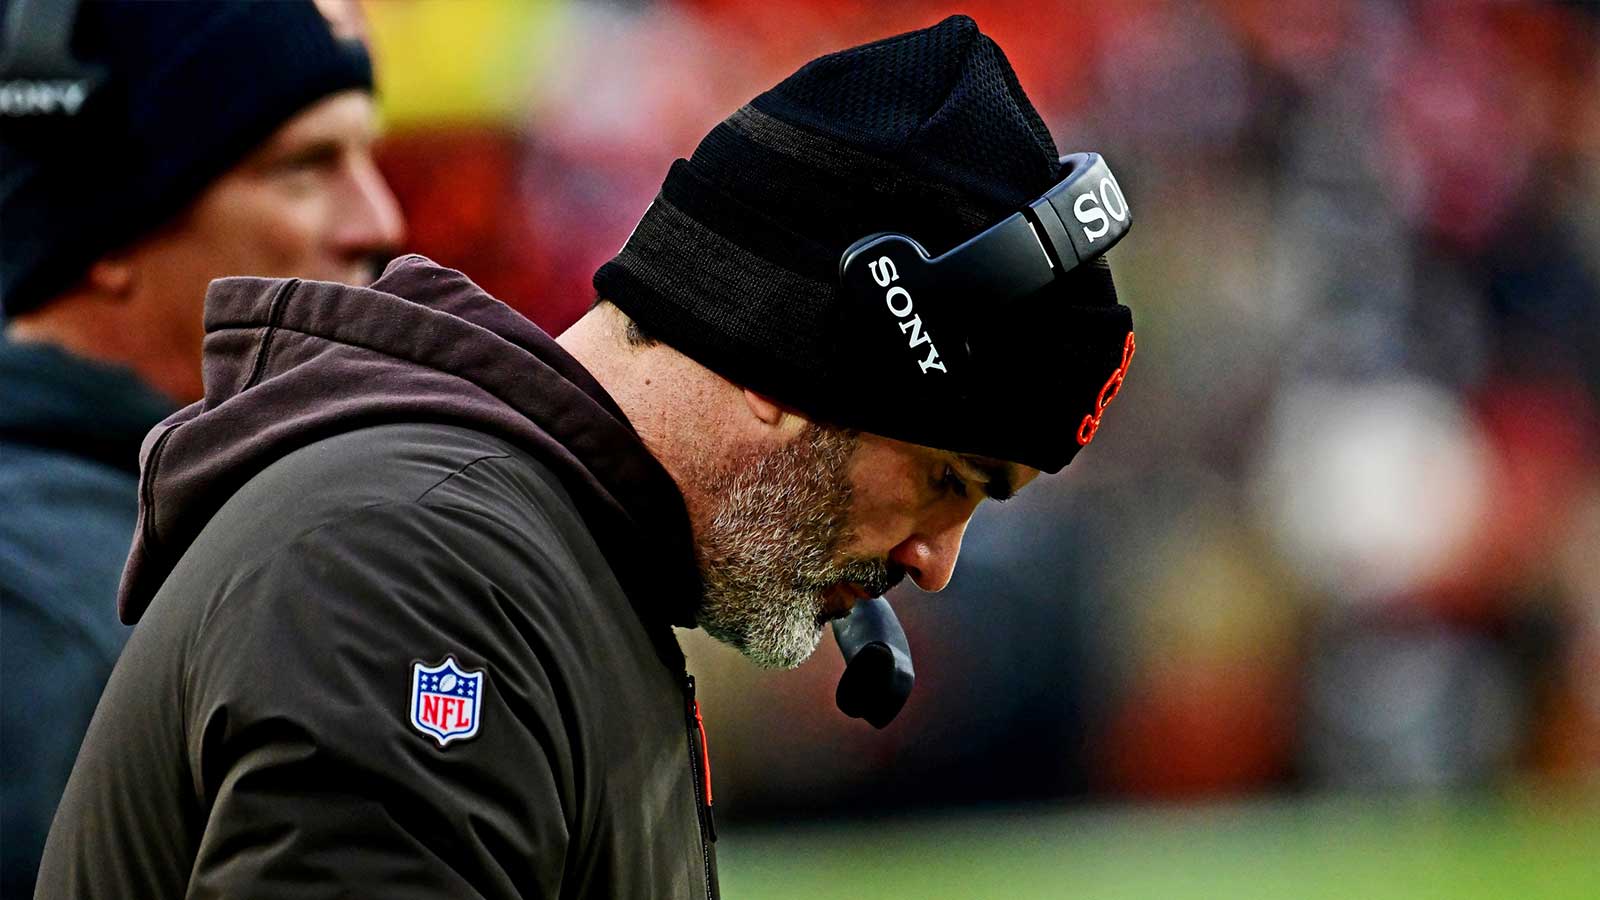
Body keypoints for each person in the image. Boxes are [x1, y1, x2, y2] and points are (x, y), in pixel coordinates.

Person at [37, 15, 1134, 899]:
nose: (940, 559)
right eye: (950, 477)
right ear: (791, 369)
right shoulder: (423, 570)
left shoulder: (540, 561)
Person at [0, 2, 403, 895]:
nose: (378, 218)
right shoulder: (37, 613)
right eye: (304, 167)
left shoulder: (173, 530)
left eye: (367, 157)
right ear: (109, 231)